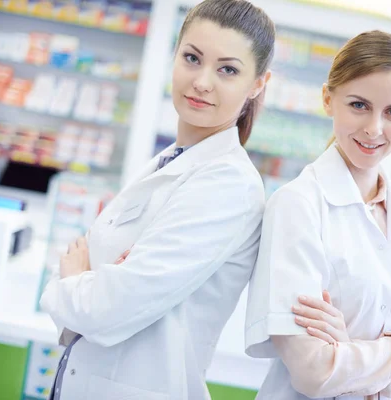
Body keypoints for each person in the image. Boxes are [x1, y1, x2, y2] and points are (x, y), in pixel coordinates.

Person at [39, 1, 275, 399]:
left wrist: (74, 282)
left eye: (228, 70)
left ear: (257, 84)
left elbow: (107, 308)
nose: (202, 81)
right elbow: (103, 293)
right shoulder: (169, 163)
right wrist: (90, 285)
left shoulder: (229, 184)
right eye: (192, 58)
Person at [245, 30, 391, 400]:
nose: (374, 129)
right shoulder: (298, 205)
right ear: (328, 99)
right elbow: (313, 372)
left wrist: (350, 351)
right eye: (359, 105)